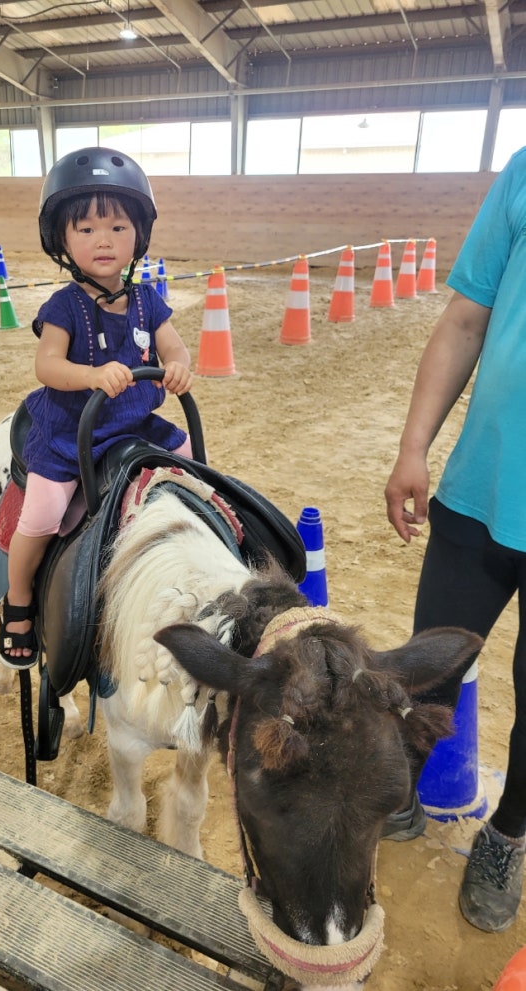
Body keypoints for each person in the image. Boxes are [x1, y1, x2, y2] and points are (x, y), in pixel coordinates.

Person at [383, 146, 526, 934]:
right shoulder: (524, 171)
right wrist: (414, 446)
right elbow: (466, 317)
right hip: (478, 491)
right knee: (427, 663)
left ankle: (504, 835)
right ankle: (397, 794)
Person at [0, 147, 193, 667]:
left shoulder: (148, 299)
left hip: (134, 422)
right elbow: (47, 366)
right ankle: (17, 601)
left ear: (139, 234)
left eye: (117, 227)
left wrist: (177, 365)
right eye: (85, 230)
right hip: (70, 433)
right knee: (41, 516)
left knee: (195, 465)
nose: (103, 239)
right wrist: (89, 376)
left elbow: (173, 344)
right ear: (62, 240)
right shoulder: (63, 305)